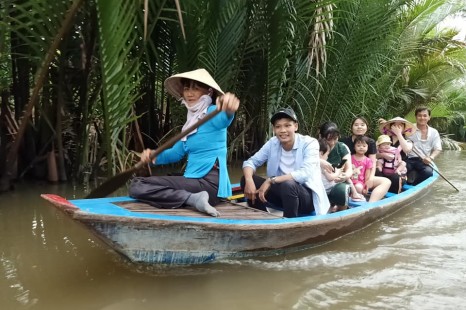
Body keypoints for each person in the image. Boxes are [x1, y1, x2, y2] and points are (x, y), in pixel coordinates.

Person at [128, 68, 240, 217]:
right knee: (141, 183)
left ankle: (192, 199)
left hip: (210, 184)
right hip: (193, 179)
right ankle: (192, 198)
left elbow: (225, 118)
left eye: (195, 89)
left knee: (138, 185)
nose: (189, 93)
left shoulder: (213, 112)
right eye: (187, 89)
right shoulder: (190, 124)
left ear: (208, 92)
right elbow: (175, 153)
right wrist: (154, 156)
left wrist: (229, 109)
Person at [241, 108, 330, 217]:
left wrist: (271, 180)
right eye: (278, 126)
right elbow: (251, 162)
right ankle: (261, 217)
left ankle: (288, 223)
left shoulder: (309, 143)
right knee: (245, 179)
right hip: (283, 194)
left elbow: (304, 173)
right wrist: (249, 180)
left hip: (307, 199)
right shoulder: (272, 143)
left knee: (289, 185)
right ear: (274, 129)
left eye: (287, 125)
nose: (283, 130)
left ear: (295, 126)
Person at [340, 116, 390, 202]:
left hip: (365, 175)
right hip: (348, 176)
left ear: (366, 127)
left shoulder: (370, 142)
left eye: (362, 125)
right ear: (352, 127)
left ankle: (371, 204)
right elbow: (341, 162)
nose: (359, 127)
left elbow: (373, 162)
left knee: (386, 182)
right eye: (356, 125)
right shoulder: (344, 142)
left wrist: (370, 179)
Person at [318, 122, 352, 211]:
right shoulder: (315, 146)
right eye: (329, 139)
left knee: (342, 189)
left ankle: (341, 211)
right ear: (321, 136)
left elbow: (348, 168)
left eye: (335, 139)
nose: (332, 142)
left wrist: (345, 175)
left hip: (336, 182)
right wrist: (320, 161)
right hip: (319, 183)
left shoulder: (342, 147)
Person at [405, 106, 442, 185]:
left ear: (429, 117)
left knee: (428, 173)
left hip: (424, 161)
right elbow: (395, 131)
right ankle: (408, 179)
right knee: (401, 169)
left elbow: (438, 148)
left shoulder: (434, 132)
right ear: (416, 117)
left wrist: (431, 157)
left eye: (425, 115)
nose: (422, 118)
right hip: (409, 159)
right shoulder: (408, 129)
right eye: (419, 115)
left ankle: (414, 183)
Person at [377, 116, 415, 193]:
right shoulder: (383, 139)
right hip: (384, 167)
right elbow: (374, 154)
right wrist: (383, 155)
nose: (397, 127)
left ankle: (393, 194)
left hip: (398, 170)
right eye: (394, 125)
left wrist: (398, 134)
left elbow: (407, 149)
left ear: (404, 128)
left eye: (400, 126)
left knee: (395, 177)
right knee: (376, 171)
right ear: (391, 127)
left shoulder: (407, 141)